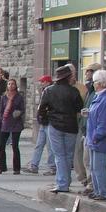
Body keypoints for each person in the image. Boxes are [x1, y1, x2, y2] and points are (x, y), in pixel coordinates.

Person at [38, 63, 83, 194]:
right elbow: (79, 107)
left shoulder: (49, 90)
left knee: (59, 155)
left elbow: (41, 109)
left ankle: (62, 182)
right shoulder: (74, 91)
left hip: (55, 125)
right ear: (68, 77)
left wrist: (45, 120)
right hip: (70, 125)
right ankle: (65, 181)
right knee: (68, 155)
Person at [85, 69, 106, 201]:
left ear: (102, 83)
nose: (93, 84)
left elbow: (105, 122)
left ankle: (103, 192)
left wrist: (97, 136)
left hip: (99, 139)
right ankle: (98, 190)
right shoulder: (99, 97)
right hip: (93, 137)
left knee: (99, 167)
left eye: (95, 82)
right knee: (93, 167)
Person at [75, 64, 100, 192]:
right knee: (80, 155)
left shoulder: (98, 93)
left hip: (92, 128)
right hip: (84, 125)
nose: (87, 74)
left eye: (89, 72)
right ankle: (85, 179)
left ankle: (91, 183)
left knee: (88, 159)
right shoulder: (89, 89)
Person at [26, 75, 57, 175]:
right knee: (39, 145)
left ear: (48, 82)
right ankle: (34, 165)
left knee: (50, 146)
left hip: (48, 122)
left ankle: (52, 167)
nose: (41, 84)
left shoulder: (50, 92)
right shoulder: (42, 91)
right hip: (43, 122)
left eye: (43, 82)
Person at [0, 78, 24, 174]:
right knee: (2, 146)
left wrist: (18, 112)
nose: (11, 86)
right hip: (5, 123)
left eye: (13, 84)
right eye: (9, 84)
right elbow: (1, 112)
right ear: (7, 86)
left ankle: (16, 168)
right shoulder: (4, 97)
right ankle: (2, 167)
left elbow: (22, 109)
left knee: (15, 146)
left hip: (15, 123)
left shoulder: (19, 97)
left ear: (15, 86)